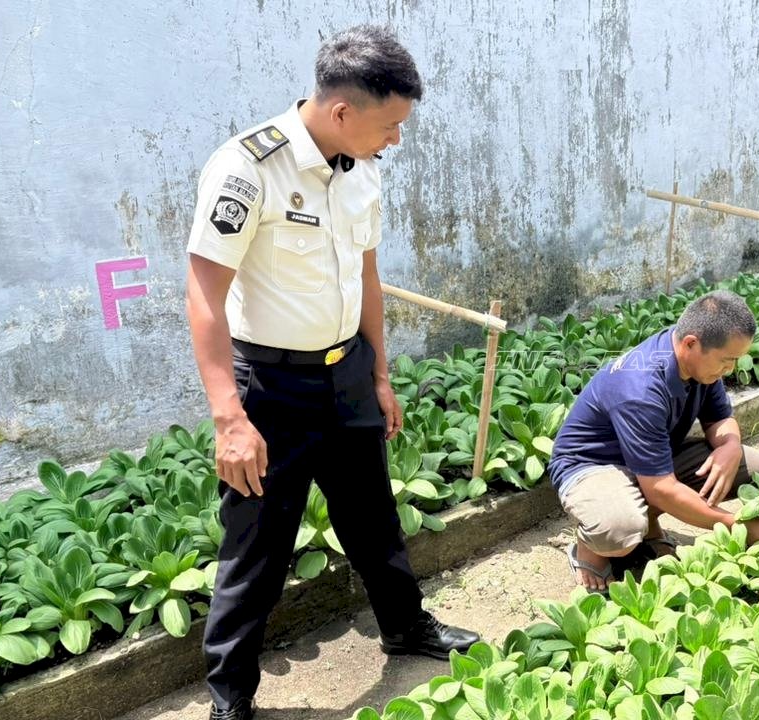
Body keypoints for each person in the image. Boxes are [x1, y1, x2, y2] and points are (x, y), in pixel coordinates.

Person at [185, 25, 478, 720]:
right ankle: (230, 697)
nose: (396, 139)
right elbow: (203, 294)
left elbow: (366, 276)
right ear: (343, 111)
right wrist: (229, 418)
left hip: (347, 374)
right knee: (256, 548)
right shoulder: (247, 169)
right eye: (390, 125)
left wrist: (378, 376)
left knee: (373, 517)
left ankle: (405, 626)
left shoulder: (361, 165)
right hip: (271, 390)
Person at [548, 290, 759, 592]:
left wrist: (729, 446)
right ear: (690, 343)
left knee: (751, 466)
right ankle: (589, 550)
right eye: (727, 361)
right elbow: (661, 488)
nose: (730, 369)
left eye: (735, 361)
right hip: (592, 466)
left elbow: (719, 419)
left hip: (649, 461)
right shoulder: (641, 389)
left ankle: (648, 525)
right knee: (619, 529)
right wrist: (738, 526)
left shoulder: (700, 364)